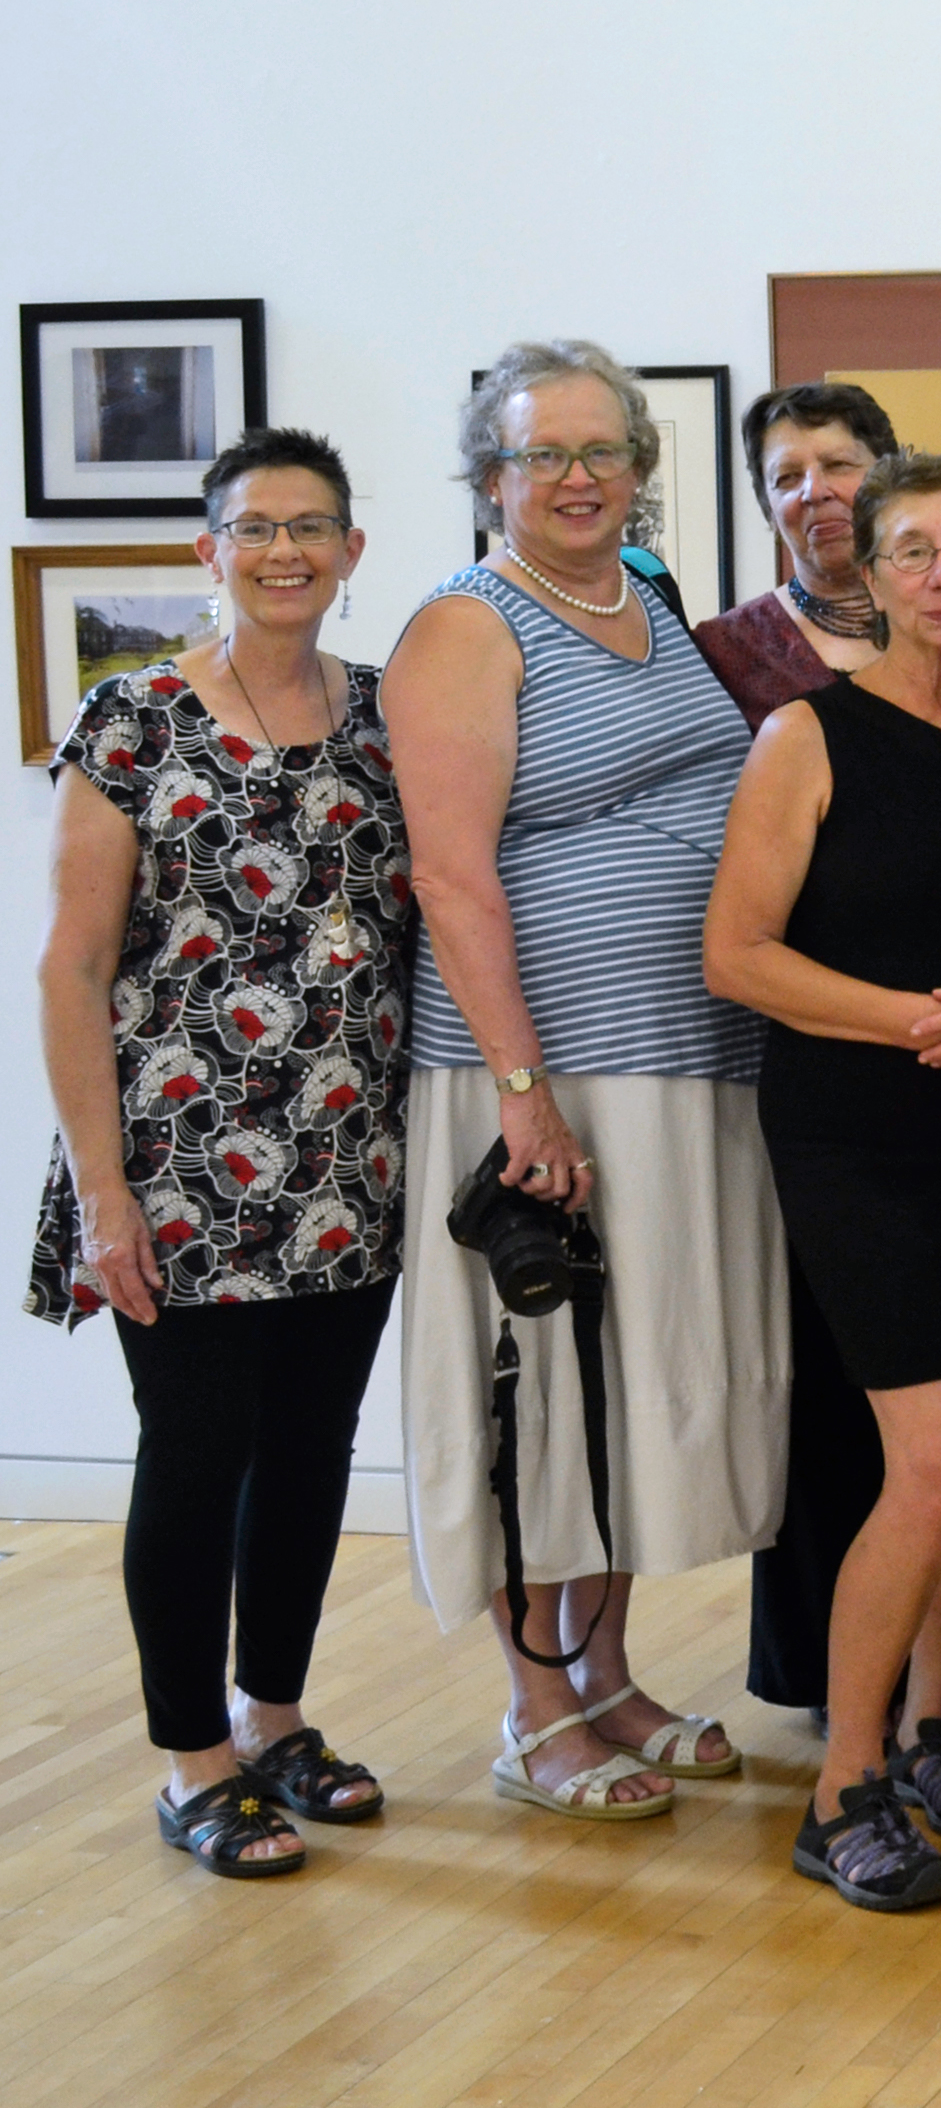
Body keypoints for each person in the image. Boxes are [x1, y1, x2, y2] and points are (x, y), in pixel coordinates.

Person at [382, 339, 781, 1821]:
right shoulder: (464, 626)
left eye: (602, 450)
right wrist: (523, 1091)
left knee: (622, 1384)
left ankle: (606, 1671)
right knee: (536, 1391)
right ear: (490, 475)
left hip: (683, 1058)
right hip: (540, 1073)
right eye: (542, 454)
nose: (575, 477)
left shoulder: (651, 604)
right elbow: (450, 873)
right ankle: (534, 1704)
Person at [29, 429, 409, 1879]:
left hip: (343, 1160)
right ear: (210, 551)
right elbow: (71, 971)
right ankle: (191, 1757)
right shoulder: (133, 718)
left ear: (352, 552)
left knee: (309, 1451)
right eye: (253, 529)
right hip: (177, 1168)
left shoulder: (383, 718)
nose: (283, 551)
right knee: (195, 1456)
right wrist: (101, 1190)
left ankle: (275, 1716)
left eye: (311, 526)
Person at [704, 452, 941, 1910]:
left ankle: (934, 1730)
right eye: (911, 547)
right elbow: (737, 957)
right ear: (863, 567)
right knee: (938, 1466)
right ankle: (840, 1780)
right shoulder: (804, 734)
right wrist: (922, 1019)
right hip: (857, 1133)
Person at [698, 382, 941, 728]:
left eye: (838, 464)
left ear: (889, 484)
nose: (814, 492)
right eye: (787, 477)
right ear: (767, 508)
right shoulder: (728, 651)